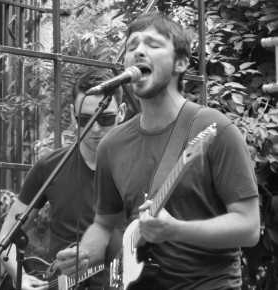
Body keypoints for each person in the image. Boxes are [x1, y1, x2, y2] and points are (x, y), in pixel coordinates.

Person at [55, 12, 260, 290]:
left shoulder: (215, 129)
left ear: (181, 62)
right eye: (131, 47)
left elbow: (248, 228)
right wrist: (83, 255)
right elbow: (104, 225)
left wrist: (176, 230)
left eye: (152, 44)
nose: (138, 51)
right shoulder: (111, 146)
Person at [0, 68, 126, 290]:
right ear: (72, 113)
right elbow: (6, 239)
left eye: (105, 118)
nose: (95, 128)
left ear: (122, 112)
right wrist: (21, 278)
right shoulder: (49, 167)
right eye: (85, 119)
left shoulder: (141, 168)